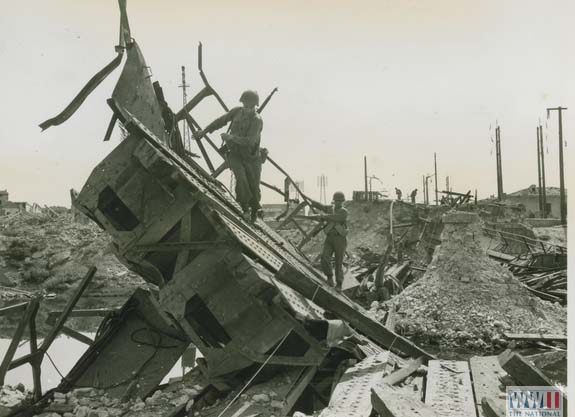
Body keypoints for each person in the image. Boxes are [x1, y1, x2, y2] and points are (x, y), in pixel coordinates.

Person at [194, 90, 263, 221]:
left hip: (252, 158)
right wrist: (204, 131)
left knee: (254, 187)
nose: (247, 109)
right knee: (241, 178)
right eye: (245, 105)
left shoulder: (257, 120)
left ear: (255, 106)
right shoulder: (237, 111)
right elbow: (221, 120)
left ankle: (254, 211)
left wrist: (231, 138)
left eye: (250, 107)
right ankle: (244, 208)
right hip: (235, 155)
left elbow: (250, 141)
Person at [310, 191, 348, 291]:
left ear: (342, 202)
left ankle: (339, 283)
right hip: (329, 238)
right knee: (324, 257)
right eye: (337, 201)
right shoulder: (330, 209)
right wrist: (313, 202)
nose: (339, 203)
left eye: (340, 201)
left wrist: (324, 216)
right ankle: (330, 277)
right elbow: (322, 207)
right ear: (334, 201)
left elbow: (336, 218)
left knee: (338, 262)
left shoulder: (344, 212)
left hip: (340, 239)